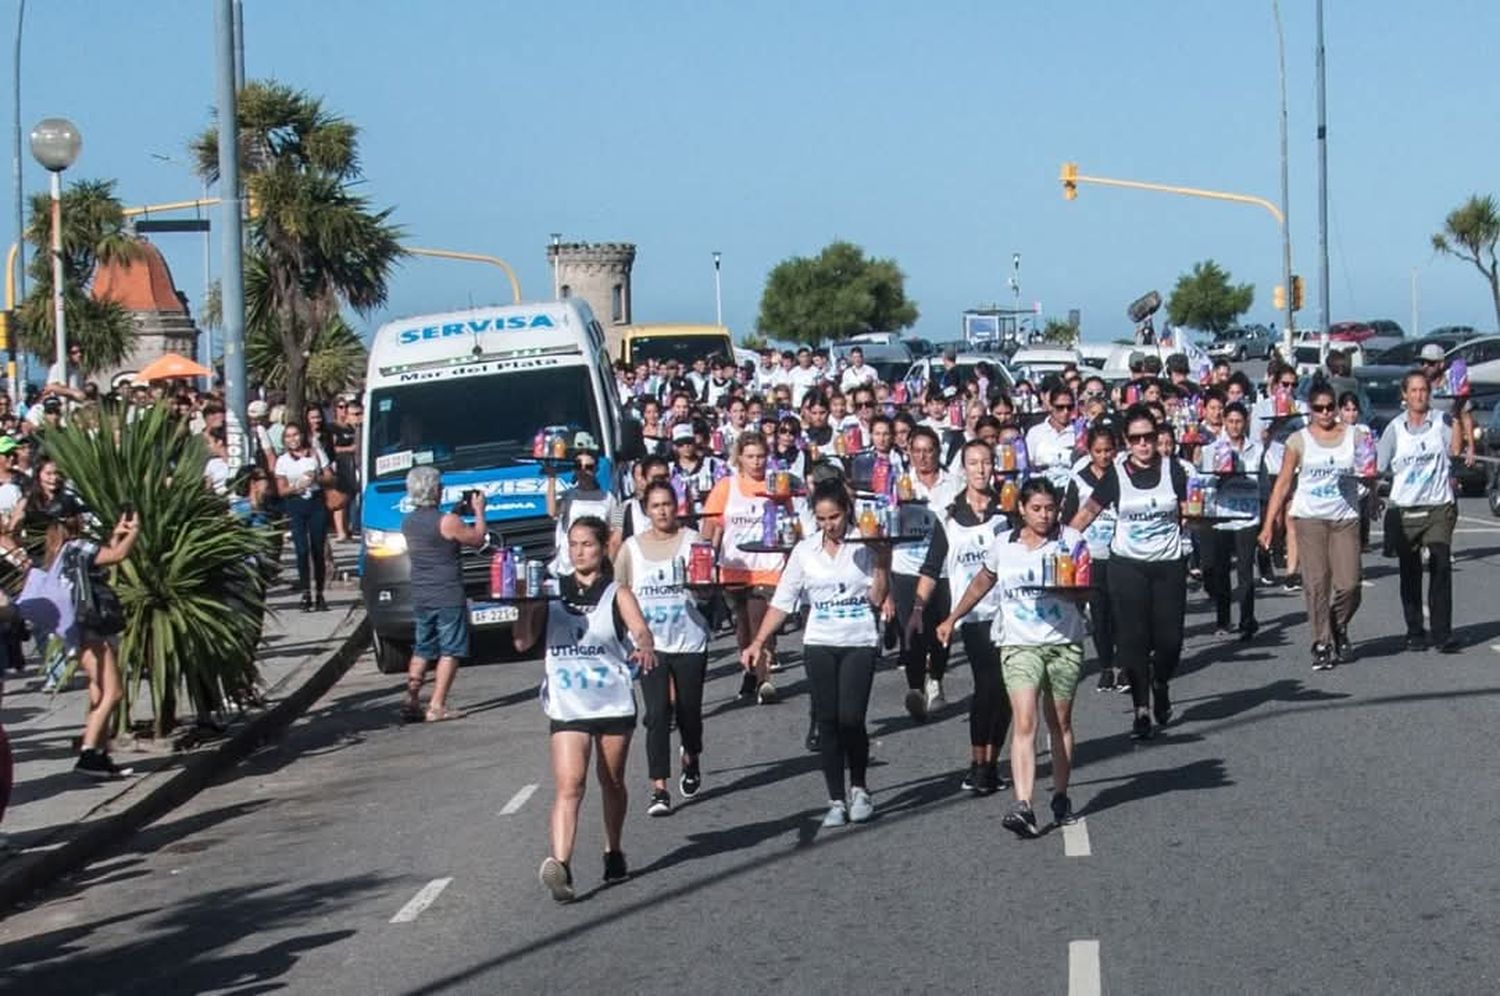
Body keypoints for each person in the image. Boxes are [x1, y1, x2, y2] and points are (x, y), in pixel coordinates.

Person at [514, 517, 657, 903]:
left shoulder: (617, 592)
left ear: (601, 548)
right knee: (569, 785)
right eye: (573, 545)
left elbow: (640, 629)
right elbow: (523, 642)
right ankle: (561, 866)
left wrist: (643, 645)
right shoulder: (551, 593)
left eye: (587, 545)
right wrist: (527, 606)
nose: (580, 552)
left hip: (610, 699)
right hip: (568, 704)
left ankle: (613, 849)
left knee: (610, 780)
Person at [940, 478, 1087, 835]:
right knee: (1025, 722)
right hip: (1018, 643)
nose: (1043, 515)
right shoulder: (1003, 544)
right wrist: (952, 617)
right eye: (1036, 508)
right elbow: (982, 582)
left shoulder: (1072, 540)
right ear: (1021, 509)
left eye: (1050, 508)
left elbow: (1084, 592)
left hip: (1062, 642)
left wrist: (1069, 591)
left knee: (1059, 722)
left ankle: (1061, 794)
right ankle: (1024, 805)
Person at [742, 479, 891, 827]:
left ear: (847, 512)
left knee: (851, 718)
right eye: (822, 519)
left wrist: (883, 560)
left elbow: (877, 598)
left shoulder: (865, 544)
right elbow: (783, 601)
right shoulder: (805, 551)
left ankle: (859, 788)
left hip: (858, 639)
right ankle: (835, 798)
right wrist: (758, 642)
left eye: (835, 517)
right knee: (827, 720)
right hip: (820, 641)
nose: (830, 525)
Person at [1069, 405, 1189, 740]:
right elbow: (1087, 513)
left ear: (1157, 438)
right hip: (1127, 567)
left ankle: (1161, 681)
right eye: (1135, 439)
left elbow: (1191, 507)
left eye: (1148, 437)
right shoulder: (1116, 475)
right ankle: (1141, 709)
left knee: (1170, 642)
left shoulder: (1173, 470)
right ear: (1127, 442)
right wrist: (1060, 544)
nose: (1143, 444)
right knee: (1133, 641)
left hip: (1167, 565)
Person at [921, 439, 1011, 794]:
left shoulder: (1007, 512)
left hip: (1009, 613)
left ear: (994, 466)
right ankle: (977, 763)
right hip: (973, 616)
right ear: (964, 470)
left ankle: (991, 762)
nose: (980, 469)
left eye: (986, 462)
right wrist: (917, 610)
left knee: (1006, 694)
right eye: (973, 463)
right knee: (986, 687)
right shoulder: (948, 517)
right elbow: (931, 567)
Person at [614, 481, 709, 816]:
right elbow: (618, 592)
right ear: (646, 510)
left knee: (689, 713)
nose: (663, 511)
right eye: (655, 506)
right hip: (650, 646)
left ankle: (691, 757)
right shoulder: (631, 548)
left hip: (690, 640)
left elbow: (708, 591)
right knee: (655, 715)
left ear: (677, 505)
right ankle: (659, 788)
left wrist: (703, 589)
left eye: (668, 504)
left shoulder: (693, 541)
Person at [1259, 382, 1367, 670]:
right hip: (1310, 519)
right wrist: (1269, 524)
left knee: (1350, 585)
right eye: (1318, 408)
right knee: (1317, 583)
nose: (1325, 413)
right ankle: (1322, 641)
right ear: (1309, 409)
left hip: (1344, 517)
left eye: (1330, 407)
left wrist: (1374, 493)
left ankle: (1337, 622)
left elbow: (1368, 471)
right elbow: (1282, 483)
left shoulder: (1354, 436)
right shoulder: (1299, 440)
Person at [50, 509, 141, 777]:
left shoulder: (61, 550)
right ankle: (89, 753)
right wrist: (134, 532)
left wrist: (116, 535)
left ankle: (99, 754)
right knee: (113, 693)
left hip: (77, 630)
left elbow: (101, 560)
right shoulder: (79, 545)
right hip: (94, 629)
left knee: (98, 691)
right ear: (75, 521)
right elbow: (117, 556)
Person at [1378, 371, 1464, 653]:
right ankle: (1415, 629)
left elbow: (1455, 449)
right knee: (1410, 570)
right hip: (1405, 508)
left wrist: (1459, 413)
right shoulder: (1395, 429)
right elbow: (1378, 466)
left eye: (1423, 390)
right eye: (1413, 391)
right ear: (1404, 395)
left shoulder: (1441, 421)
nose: (1419, 395)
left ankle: (1442, 633)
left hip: (1438, 504)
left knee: (1440, 563)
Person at [701, 432, 788, 703]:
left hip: (768, 565)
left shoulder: (778, 485)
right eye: (750, 456)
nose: (756, 462)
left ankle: (765, 681)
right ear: (740, 458)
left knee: (761, 619)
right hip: (735, 566)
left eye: (761, 456)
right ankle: (749, 671)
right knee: (743, 627)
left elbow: (790, 521)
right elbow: (711, 526)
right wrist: (705, 562)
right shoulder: (727, 486)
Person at [399, 466, 488, 722]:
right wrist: (480, 511)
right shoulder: (448, 522)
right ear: (436, 490)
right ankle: (437, 704)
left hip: (422, 593)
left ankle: (412, 698)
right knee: (451, 649)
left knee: (423, 647)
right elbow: (478, 539)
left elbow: (438, 533)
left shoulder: (409, 522)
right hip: (447, 592)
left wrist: (456, 513)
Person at [889, 427, 956, 720]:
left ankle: (936, 678)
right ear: (909, 453)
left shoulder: (955, 484)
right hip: (906, 567)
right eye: (916, 451)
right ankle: (915, 688)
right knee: (912, 631)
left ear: (938, 452)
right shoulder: (899, 484)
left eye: (928, 450)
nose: (923, 457)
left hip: (943, 569)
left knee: (941, 628)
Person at [1062, 424, 1121, 690]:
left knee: (1121, 612)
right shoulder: (1079, 478)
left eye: (1109, 450)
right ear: (1089, 451)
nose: (1104, 456)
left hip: (1120, 553)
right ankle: (1106, 666)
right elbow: (1070, 519)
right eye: (1098, 451)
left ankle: (1125, 665)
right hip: (1091, 555)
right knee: (1099, 613)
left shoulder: (1122, 475)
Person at [1198, 402, 1263, 639]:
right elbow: (1203, 484)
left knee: (1245, 571)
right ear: (1224, 422)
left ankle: (1247, 620)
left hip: (1247, 516)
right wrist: (1218, 477)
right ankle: (1223, 620)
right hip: (1222, 516)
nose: (1235, 426)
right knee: (1221, 571)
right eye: (1231, 421)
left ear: (1245, 422)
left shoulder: (1257, 449)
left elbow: (1262, 483)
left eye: (1239, 421)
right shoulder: (1212, 449)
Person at [274, 423, 333, 611]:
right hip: (296, 503)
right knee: (301, 549)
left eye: (295, 435)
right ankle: (305, 592)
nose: (292, 439)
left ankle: (320, 594)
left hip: (316, 502)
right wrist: (297, 486)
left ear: (302, 436)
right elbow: (281, 490)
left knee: (317, 549)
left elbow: (331, 478)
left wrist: (316, 478)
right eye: (288, 436)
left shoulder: (315, 453)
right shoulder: (282, 460)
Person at [545, 449, 619, 576]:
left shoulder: (609, 498)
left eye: (588, 467)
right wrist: (552, 477)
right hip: (568, 566)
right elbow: (552, 511)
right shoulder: (569, 495)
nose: (583, 471)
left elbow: (615, 532)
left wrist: (609, 562)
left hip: (596, 565)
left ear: (596, 469)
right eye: (579, 466)